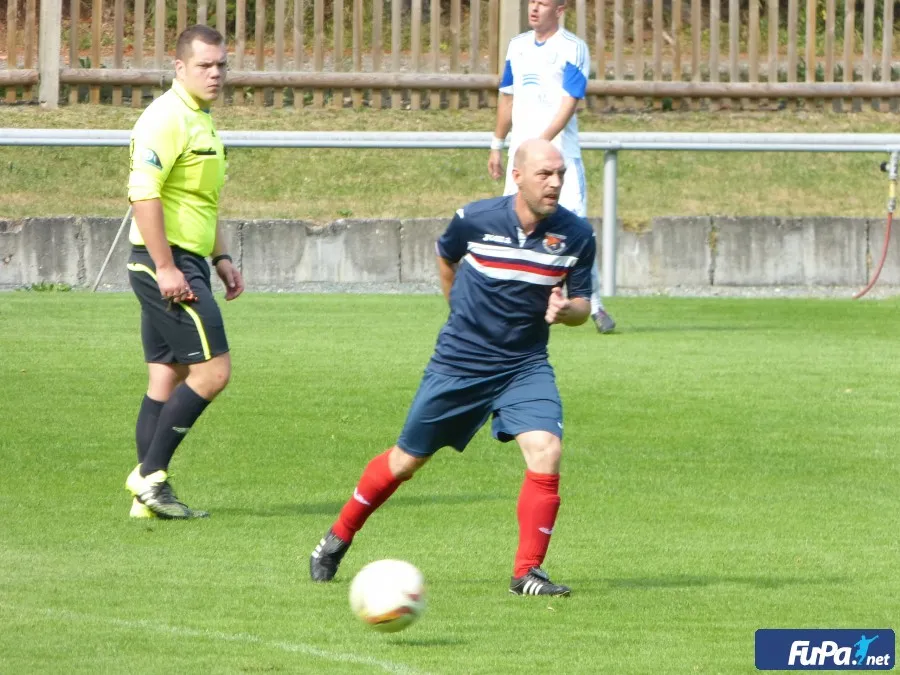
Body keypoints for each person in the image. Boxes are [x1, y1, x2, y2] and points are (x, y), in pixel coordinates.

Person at [310, 139, 594, 596]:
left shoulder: (577, 234)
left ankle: (526, 573)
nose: (555, 183)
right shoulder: (475, 219)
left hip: (524, 365)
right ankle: (338, 536)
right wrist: (456, 309)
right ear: (517, 177)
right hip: (460, 363)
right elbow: (447, 257)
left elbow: (582, 305)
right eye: (545, 174)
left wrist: (566, 312)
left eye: (560, 173)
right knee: (405, 462)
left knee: (546, 449)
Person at [124, 24, 244, 520]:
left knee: (165, 375)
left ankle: (146, 500)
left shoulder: (201, 119)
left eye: (221, 65)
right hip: (164, 261)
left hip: (186, 259)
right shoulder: (165, 118)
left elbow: (200, 199)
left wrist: (221, 257)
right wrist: (166, 266)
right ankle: (150, 477)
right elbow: (143, 194)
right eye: (204, 65)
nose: (215, 74)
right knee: (213, 372)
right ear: (179, 67)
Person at [488, 0, 615, 334]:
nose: (534, 8)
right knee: (511, 225)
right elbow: (507, 98)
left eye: (542, 3)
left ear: (559, 10)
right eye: (532, 1)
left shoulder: (573, 47)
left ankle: (593, 304)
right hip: (522, 158)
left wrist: (542, 146)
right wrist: (497, 144)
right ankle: (510, 302)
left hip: (560, 157)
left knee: (576, 228)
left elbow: (569, 102)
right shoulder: (517, 46)